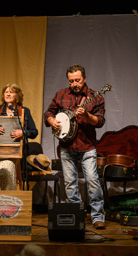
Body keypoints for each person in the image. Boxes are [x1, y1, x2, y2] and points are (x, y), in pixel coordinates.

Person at [44, 64, 106, 229]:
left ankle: (98, 217)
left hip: (87, 146)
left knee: (92, 181)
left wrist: (87, 114)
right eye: (71, 81)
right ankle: (77, 214)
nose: (75, 84)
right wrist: (52, 121)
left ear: (84, 78)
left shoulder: (96, 97)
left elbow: (99, 122)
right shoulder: (61, 94)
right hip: (67, 146)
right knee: (70, 183)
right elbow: (48, 113)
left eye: (77, 80)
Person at [0, 83, 38, 190]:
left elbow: (34, 132)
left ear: (17, 96)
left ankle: (7, 202)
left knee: (8, 172)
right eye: (6, 92)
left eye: (11, 92)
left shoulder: (24, 111)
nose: (8, 94)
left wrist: (23, 132)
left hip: (13, 153)